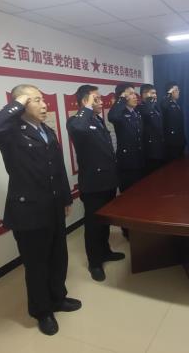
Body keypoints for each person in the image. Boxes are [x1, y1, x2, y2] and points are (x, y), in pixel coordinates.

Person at [0, 84, 81, 336]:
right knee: (37, 265)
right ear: (22, 104)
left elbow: (57, 168)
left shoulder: (47, 131)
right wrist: (18, 102)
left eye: (43, 99)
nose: (44, 105)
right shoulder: (10, 133)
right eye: (36, 100)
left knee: (58, 257)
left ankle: (58, 298)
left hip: (54, 206)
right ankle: (42, 311)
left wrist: (66, 198)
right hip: (29, 211)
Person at [66, 85, 125, 282]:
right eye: (96, 99)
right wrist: (87, 108)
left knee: (105, 221)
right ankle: (94, 263)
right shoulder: (76, 121)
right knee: (93, 225)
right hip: (93, 184)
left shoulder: (97, 119)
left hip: (107, 180)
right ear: (85, 101)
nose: (101, 102)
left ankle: (105, 251)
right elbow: (79, 128)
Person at [108, 83, 145, 239]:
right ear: (122, 96)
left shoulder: (136, 113)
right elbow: (112, 117)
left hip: (139, 161)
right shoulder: (120, 113)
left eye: (135, 93)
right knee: (127, 199)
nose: (135, 96)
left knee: (139, 198)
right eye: (130, 93)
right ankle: (127, 230)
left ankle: (138, 228)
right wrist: (121, 100)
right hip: (127, 163)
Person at [136, 84, 165, 175]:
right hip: (150, 150)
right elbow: (146, 112)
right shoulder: (139, 108)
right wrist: (149, 100)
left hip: (159, 147)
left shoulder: (155, 107)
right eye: (152, 93)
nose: (155, 95)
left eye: (155, 93)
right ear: (144, 94)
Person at [159, 81, 186, 161]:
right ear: (171, 92)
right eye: (176, 90)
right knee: (173, 165)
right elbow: (163, 105)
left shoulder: (176, 104)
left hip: (180, 140)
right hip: (172, 142)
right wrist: (169, 93)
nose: (178, 91)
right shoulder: (166, 103)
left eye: (178, 89)